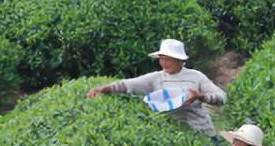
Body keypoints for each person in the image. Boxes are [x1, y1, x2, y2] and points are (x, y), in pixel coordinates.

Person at [86, 38, 225, 138]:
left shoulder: (196, 77)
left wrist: (201, 96)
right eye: (161, 58)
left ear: (180, 60)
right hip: (174, 133)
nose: (163, 63)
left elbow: (221, 97)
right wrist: (102, 89)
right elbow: (127, 85)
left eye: (168, 59)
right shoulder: (156, 78)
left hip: (201, 131)